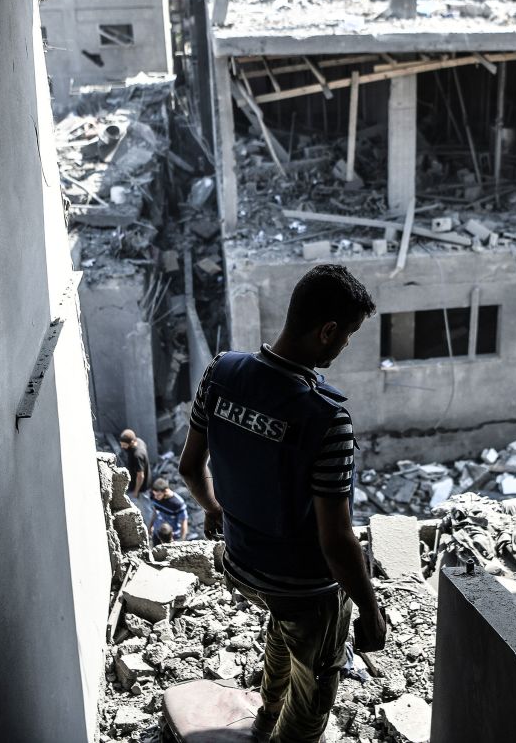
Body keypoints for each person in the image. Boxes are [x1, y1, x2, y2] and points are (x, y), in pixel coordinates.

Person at [179, 264, 386, 743]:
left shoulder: (220, 372)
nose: (346, 345)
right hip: (301, 584)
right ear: (327, 330)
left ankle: (265, 719)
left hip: (242, 565)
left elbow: (191, 467)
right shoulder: (327, 418)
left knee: (286, 624)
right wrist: (370, 609)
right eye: (348, 334)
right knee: (314, 692)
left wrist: (214, 509)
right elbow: (335, 540)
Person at [147, 477, 188, 544]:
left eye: (158, 495)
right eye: (154, 494)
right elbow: (155, 512)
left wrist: (182, 540)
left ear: (166, 491)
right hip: (157, 533)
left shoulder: (178, 503)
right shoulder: (155, 497)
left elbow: (184, 522)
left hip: (172, 537)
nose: (155, 497)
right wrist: (150, 526)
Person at [119, 428, 150, 505]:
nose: (122, 447)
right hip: (142, 483)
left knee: (145, 508)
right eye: (121, 444)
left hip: (141, 489)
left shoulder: (137, 455)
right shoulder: (140, 441)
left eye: (124, 445)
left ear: (132, 442)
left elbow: (140, 476)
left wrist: (136, 491)